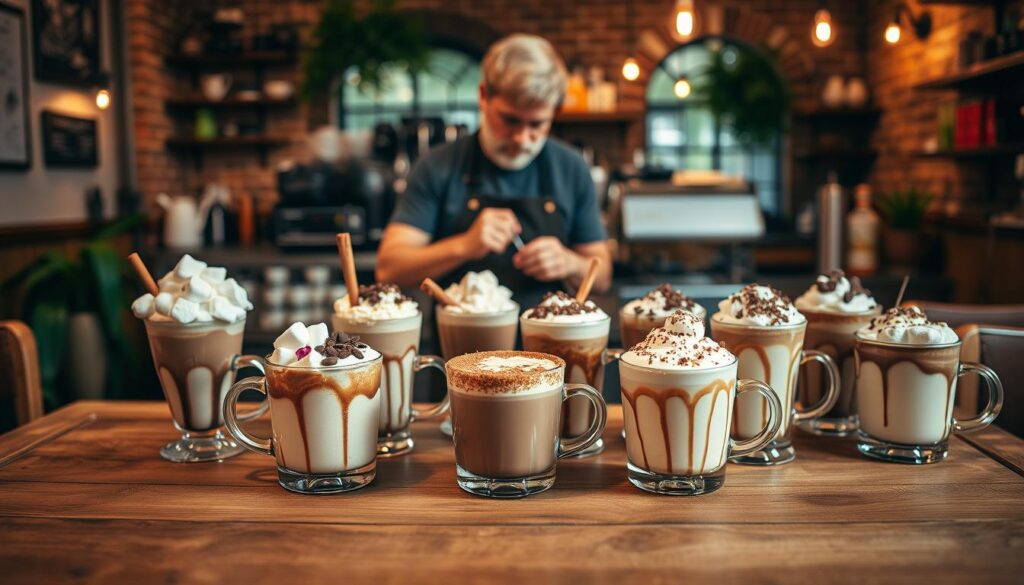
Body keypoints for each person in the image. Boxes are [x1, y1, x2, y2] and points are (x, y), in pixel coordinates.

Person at [375, 34, 612, 307]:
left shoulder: (571, 169)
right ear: (483, 96)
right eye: (510, 120)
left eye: (537, 124)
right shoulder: (436, 167)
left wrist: (569, 263)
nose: (522, 138)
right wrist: (463, 246)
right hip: (460, 345)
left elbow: (603, 275)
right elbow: (390, 269)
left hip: (550, 344)